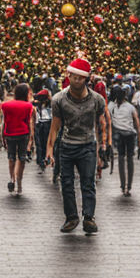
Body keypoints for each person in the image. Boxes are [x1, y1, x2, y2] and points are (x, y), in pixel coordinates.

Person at [46, 58, 108, 234]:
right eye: (74, 77)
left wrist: (103, 145)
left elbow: (101, 123)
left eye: (80, 78)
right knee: (66, 184)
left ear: (86, 79)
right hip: (66, 146)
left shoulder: (97, 100)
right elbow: (55, 126)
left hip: (88, 145)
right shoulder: (59, 99)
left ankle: (89, 218)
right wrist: (49, 150)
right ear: (69, 76)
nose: (76, 81)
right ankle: (71, 217)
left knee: (88, 183)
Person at [0, 82, 34, 195]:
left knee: (11, 157)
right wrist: (31, 139)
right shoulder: (29, 106)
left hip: (10, 133)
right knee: (22, 157)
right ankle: (19, 182)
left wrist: (2, 136)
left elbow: (4, 121)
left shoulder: (5, 105)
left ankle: (12, 178)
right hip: (23, 133)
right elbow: (29, 122)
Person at [107, 84, 140, 196]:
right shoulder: (131, 107)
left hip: (119, 135)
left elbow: (107, 121)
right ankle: (129, 186)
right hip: (130, 135)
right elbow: (137, 122)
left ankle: (123, 185)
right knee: (130, 159)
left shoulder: (111, 106)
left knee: (121, 159)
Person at [33, 89, 52, 174]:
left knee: (40, 142)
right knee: (44, 141)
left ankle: (41, 158)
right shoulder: (50, 104)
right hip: (46, 123)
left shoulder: (37, 104)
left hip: (40, 123)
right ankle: (43, 158)